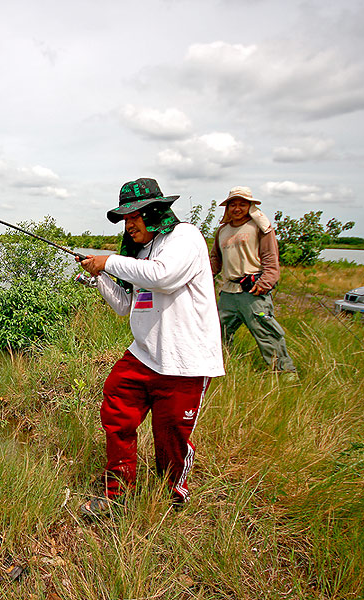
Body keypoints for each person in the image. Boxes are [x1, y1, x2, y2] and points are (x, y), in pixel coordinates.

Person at [76, 177, 224, 516]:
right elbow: (124, 305)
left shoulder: (184, 237)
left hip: (185, 360)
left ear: (156, 212)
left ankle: (172, 495)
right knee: (116, 407)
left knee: (171, 438)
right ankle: (118, 494)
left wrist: (107, 261)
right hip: (144, 354)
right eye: (125, 220)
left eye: (135, 217)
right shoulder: (139, 254)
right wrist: (98, 275)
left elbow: (164, 277)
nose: (129, 226)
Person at [209, 186, 297, 374]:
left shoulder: (260, 227)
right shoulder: (222, 231)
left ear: (250, 206)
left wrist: (265, 283)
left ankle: (284, 373)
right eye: (233, 204)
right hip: (228, 292)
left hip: (253, 291)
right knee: (217, 333)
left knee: (266, 333)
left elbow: (270, 258)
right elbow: (215, 260)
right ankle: (221, 369)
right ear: (227, 207)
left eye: (242, 204)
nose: (237, 209)